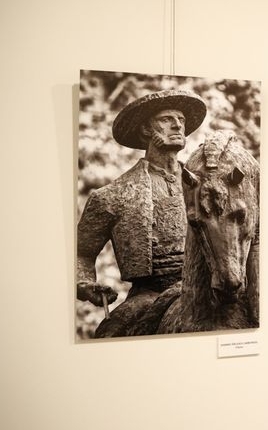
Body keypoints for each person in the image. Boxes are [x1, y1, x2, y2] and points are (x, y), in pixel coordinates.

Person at [76, 89, 207, 337]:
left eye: (181, 120)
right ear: (147, 130)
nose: (177, 125)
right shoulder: (114, 194)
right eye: (167, 119)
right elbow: (81, 253)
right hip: (150, 295)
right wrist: (84, 284)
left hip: (207, 289)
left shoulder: (205, 188)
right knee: (112, 333)